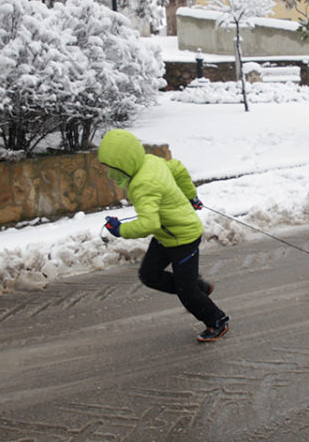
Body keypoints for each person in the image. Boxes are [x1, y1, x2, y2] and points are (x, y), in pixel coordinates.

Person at [97, 129, 229, 342]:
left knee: (186, 291)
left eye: (110, 168)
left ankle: (217, 320)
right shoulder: (149, 161)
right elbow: (177, 168)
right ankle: (200, 288)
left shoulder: (141, 185)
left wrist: (119, 230)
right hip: (167, 234)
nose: (108, 174)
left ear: (122, 165)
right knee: (149, 275)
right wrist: (191, 196)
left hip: (184, 236)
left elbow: (149, 223)